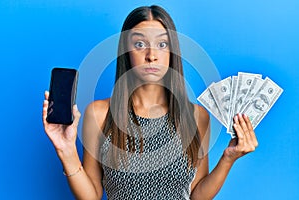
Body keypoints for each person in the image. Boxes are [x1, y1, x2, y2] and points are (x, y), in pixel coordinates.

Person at [42, 5, 258, 200]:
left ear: (172, 51)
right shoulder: (99, 114)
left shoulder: (197, 116)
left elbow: (196, 195)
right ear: (127, 52)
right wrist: (66, 150)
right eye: (139, 44)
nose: (151, 55)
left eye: (162, 44)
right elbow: (92, 196)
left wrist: (228, 159)